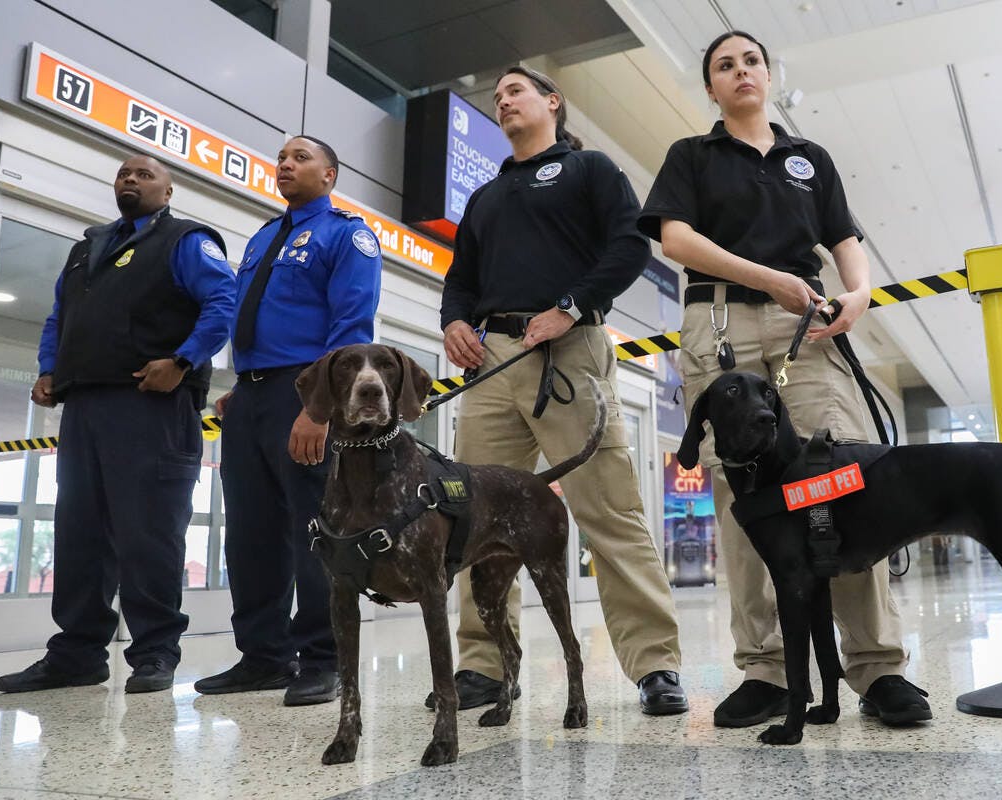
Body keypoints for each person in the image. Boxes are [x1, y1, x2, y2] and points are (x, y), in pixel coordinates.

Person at [638, 31, 931, 728]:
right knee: (746, 498)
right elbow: (674, 240)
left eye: (751, 61)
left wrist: (857, 294)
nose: (741, 72)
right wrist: (770, 278)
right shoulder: (693, 156)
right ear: (710, 88)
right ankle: (768, 670)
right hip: (722, 329)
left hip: (811, 330)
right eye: (724, 66)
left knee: (845, 483)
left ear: (770, 76)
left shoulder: (810, 159)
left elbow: (844, 240)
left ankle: (878, 667)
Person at [439, 66, 687, 715]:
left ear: (553, 102)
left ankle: (655, 664)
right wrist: (454, 323)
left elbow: (632, 244)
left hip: (568, 349)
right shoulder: (485, 198)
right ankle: (485, 664)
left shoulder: (589, 170)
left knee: (608, 508)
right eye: (496, 97)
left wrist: (573, 306)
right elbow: (460, 278)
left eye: (514, 90)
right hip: (493, 363)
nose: (502, 100)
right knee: (478, 519)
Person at [0, 154, 235, 695]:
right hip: (86, 408)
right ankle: (77, 654)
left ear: (168, 192)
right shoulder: (87, 249)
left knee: (148, 533)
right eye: (124, 172)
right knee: (79, 534)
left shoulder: (187, 242)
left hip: (152, 404)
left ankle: (154, 653)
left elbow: (224, 300)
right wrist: (49, 368)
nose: (131, 178)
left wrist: (183, 360)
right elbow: (60, 315)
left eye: (145, 174)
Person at [194, 136, 381, 706]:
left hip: (306, 391)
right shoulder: (262, 236)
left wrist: (319, 408)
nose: (285, 164)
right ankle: (263, 657)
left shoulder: (346, 234)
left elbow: (352, 327)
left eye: (300, 158)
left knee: (316, 530)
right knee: (250, 532)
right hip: (250, 397)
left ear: (330, 174)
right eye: (280, 158)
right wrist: (241, 390)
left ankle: (325, 659)